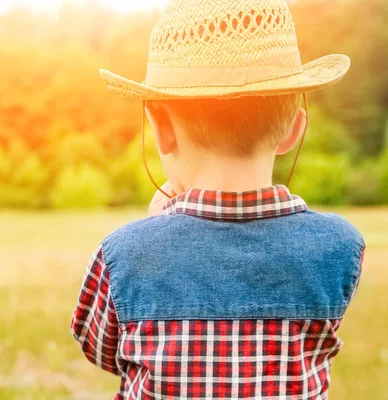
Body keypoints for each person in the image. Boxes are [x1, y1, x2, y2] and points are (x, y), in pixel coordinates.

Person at [70, 0, 365, 398]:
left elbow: (104, 352)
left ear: (160, 128)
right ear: (294, 129)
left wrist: (153, 233)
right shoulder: (340, 245)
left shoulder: (122, 255)